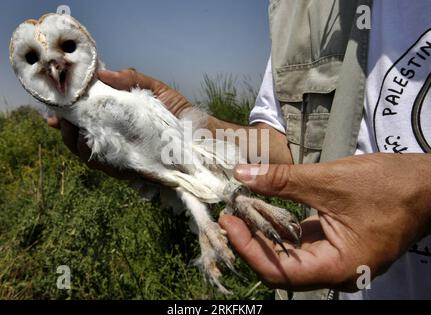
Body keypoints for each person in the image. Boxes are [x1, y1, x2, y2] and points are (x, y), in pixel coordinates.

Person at [48, 0, 431, 299]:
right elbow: (282, 146)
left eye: (66, 48)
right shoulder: (304, 11)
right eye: (34, 61)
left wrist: (423, 192)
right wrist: (191, 125)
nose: (54, 67)